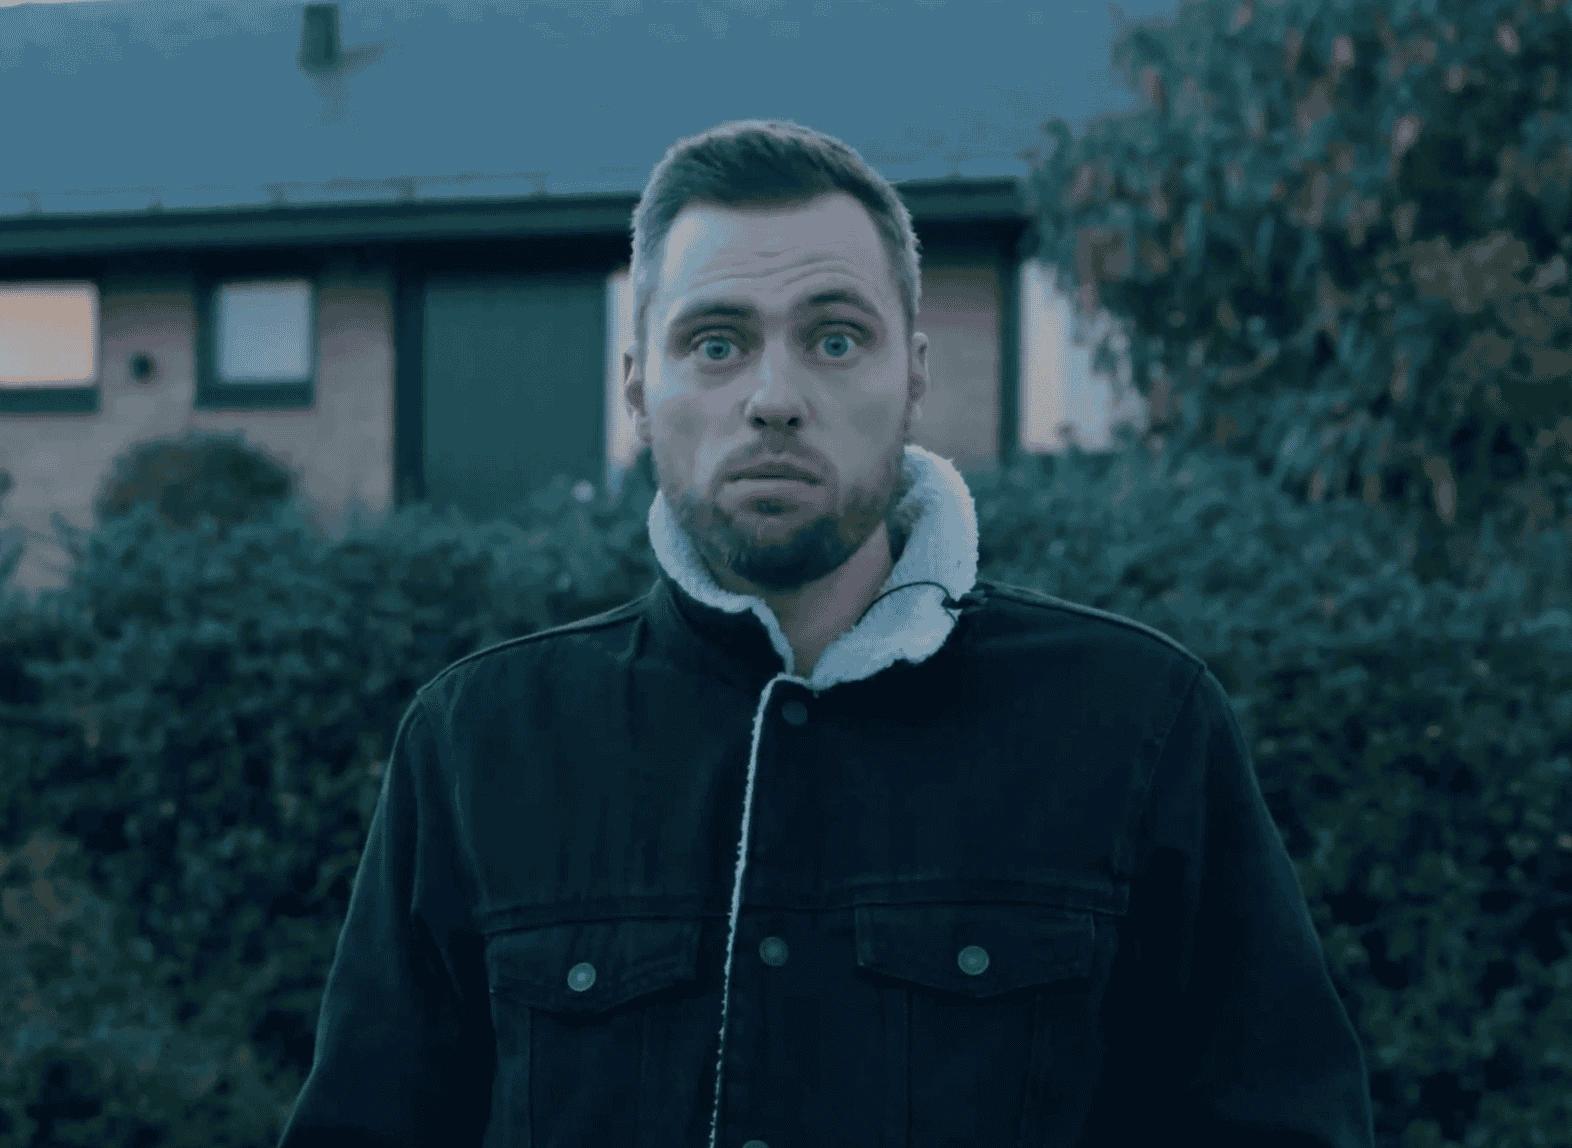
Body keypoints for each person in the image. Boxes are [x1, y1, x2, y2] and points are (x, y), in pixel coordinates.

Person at [277, 118, 1375, 1147]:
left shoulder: (1137, 722)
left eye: (835, 338)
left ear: (914, 376)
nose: (775, 397)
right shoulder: (479, 743)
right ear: (638, 387)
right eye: (715, 342)